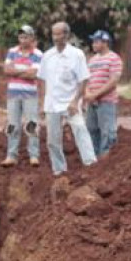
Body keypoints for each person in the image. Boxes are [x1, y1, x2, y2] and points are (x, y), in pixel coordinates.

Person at [37, 21, 97, 176]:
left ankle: (90, 164)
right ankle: (59, 170)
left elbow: (83, 79)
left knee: (80, 130)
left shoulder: (77, 55)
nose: (56, 37)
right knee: (52, 140)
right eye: (53, 34)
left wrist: (75, 101)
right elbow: (42, 81)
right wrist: (42, 104)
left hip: (70, 103)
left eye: (59, 34)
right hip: (52, 104)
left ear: (67, 35)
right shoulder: (47, 56)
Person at [1, 25, 44, 168]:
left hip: (30, 94)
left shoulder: (38, 54)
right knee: (13, 124)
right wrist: (25, 71)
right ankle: (11, 155)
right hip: (13, 93)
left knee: (32, 124)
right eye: (20, 37)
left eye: (26, 37)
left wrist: (16, 71)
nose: (23, 40)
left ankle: (34, 155)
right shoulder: (12, 52)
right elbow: (7, 70)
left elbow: (35, 74)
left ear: (32, 38)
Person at [85, 30, 123, 158]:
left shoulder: (114, 58)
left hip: (106, 101)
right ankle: (93, 159)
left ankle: (106, 160)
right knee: (91, 130)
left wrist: (95, 94)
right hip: (92, 102)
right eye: (93, 41)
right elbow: (87, 79)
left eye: (96, 41)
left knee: (107, 132)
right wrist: (88, 93)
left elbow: (113, 81)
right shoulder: (92, 60)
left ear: (105, 42)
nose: (93, 44)